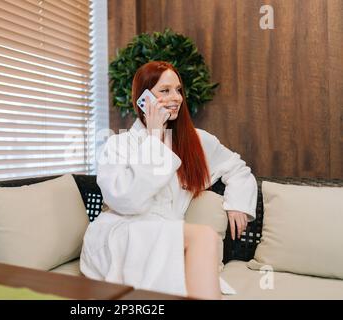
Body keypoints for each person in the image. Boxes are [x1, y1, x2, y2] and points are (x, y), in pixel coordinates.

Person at [80, 61, 257, 300]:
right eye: (165, 91)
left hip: (167, 232)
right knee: (205, 236)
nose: (176, 98)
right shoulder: (118, 144)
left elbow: (236, 168)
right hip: (122, 232)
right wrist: (154, 137)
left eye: (178, 90)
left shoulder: (196, 141)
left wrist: (238, 203)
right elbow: (129, 202)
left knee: (203, 240)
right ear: (143, 99)